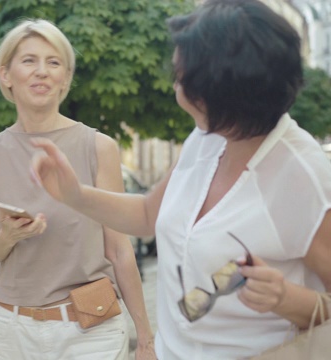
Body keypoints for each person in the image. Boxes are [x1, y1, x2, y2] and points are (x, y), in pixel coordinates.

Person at [30, 0, 331, 359]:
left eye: (181, 76)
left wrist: (286, 298)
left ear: (220, 91)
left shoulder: (304, 176)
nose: (175, 84)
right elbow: (146, 214)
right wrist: (74, 194)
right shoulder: (207, 137)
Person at [0, 19, 156, 359]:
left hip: (89, 331)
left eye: (53, 62)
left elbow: (119, 251)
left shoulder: (98, 147)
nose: (42, 71)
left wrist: (145, 338)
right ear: (6, 74)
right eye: (29, 61)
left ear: (65, 78)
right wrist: (7, 237)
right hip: (13, 331)